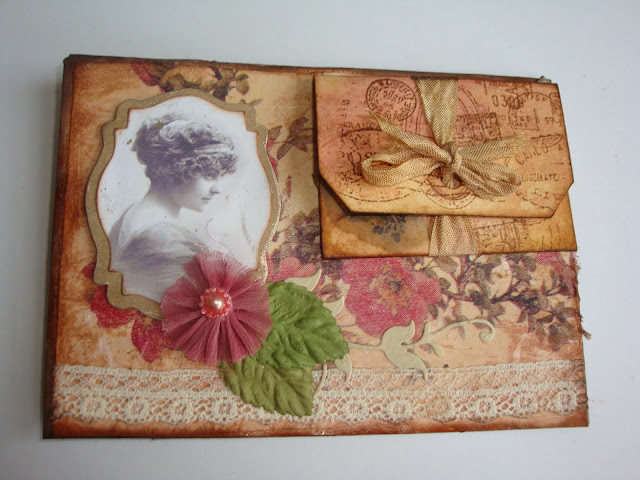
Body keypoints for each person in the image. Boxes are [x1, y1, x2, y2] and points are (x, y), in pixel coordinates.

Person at [108, 115, 238, 302]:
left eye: (220, 176)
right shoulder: (164, 241)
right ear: (175, 171)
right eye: (209, 175)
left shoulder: (134, 214)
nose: (218, 189)